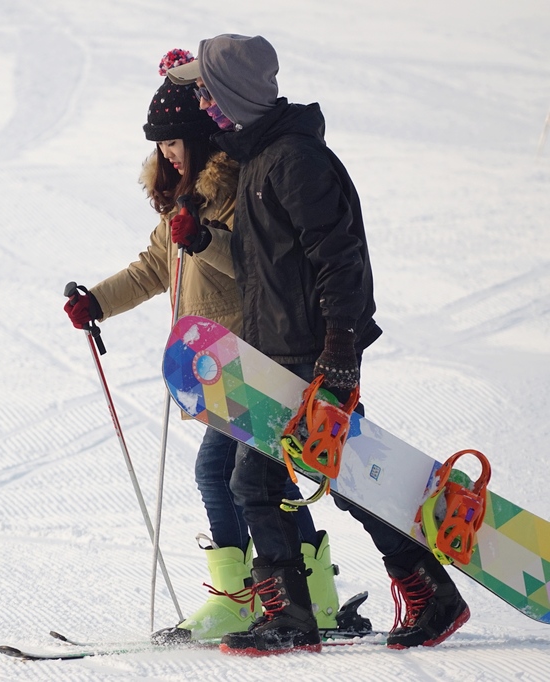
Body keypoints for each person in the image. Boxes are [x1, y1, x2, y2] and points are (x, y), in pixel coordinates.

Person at [167, 34, 470, 655]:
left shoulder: (293, 161)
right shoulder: (259, 159)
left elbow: (341, 262)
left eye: (206, 88)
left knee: (254, 481)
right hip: (278, 349)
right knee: (346, 477)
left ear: (232, 93)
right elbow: (269, 273)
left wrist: (339, 352)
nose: (202, 100)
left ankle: (294, 617)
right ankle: (428, 593)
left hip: (308, 352)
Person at [64, 49, 343, 644]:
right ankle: (311, 594)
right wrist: (97, 303)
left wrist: (203, 238)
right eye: (158, 143)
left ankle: (245, 596)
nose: (165, 152)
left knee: (220, 470)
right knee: (266, 479)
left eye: (174, 140)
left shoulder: (233, 189)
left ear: (198, 136)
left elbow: (255, 269)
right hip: (216, 362)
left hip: (251, 355)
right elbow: (151, 268)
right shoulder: (179, 199)